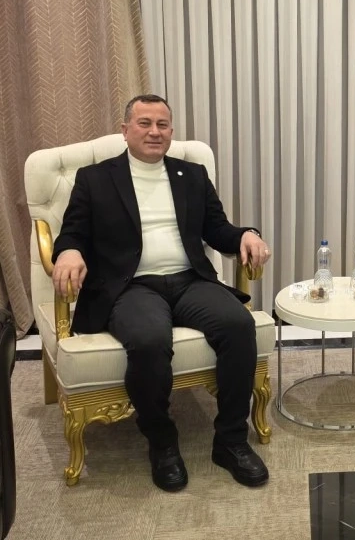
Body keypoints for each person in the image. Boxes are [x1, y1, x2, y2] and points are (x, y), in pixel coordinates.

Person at [52, 94, 272, 492]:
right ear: (125, 130)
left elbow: (217, 230)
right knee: (149, 340)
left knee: (239, 326)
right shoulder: (95, 178)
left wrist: (246, 235)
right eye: (145, 123)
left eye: (163, 125)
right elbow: (73, 232)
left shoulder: (192, 175)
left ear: (171, 131)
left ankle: (231, 441)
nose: (155, 132)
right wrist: (68, 251)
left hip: (189, 280)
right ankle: (163, 443)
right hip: (131, 286)